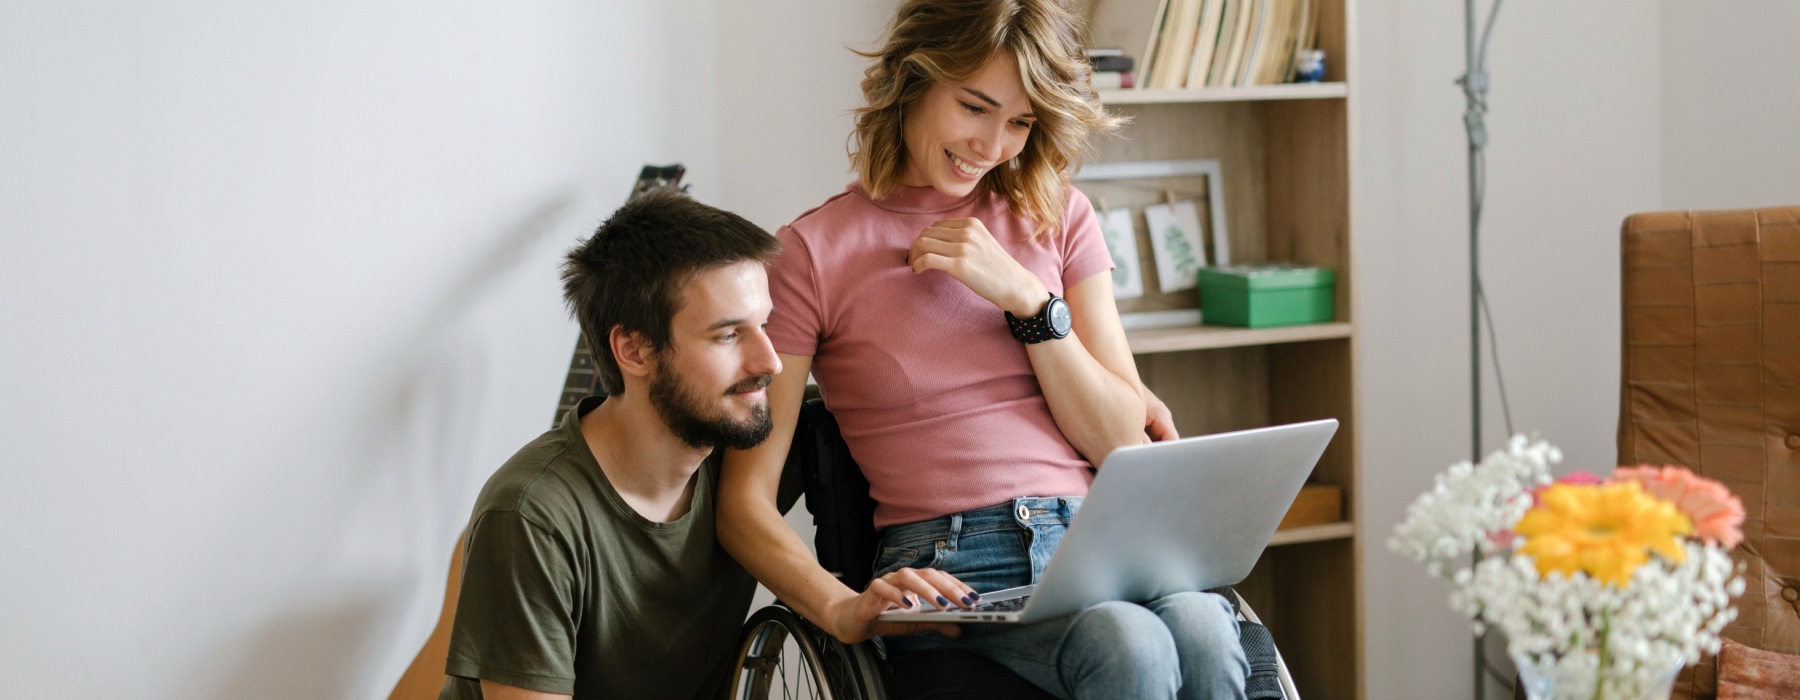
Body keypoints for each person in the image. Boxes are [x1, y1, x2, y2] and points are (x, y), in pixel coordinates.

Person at [717, 0, 1245, 698]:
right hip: (956, 565)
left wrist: (1029, 303)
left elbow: (1123, 441)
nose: (993, 145)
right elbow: (743, 503)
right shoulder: (813, 253)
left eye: (1021, 122)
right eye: (975, 107)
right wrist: (840, 610)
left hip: (1098, 541)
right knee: (1132, 643)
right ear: (912, 78)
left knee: (1208, 626)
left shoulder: (1059, 215)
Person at [440, 189, 783, 700]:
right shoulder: (531, 516)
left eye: (767, 325)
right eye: (728, 335)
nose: (771, 362)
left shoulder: (748, 433)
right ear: (634, 349)